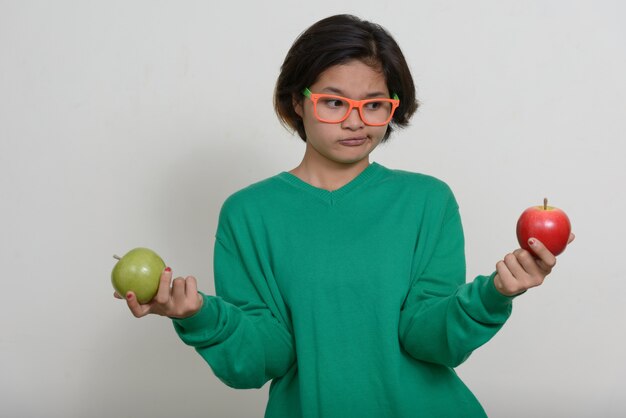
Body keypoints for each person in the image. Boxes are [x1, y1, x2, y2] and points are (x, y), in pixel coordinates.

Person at [116, 14, 574, 418]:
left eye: (374, 104)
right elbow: (264, 358)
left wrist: (495, 293)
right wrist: (199, 316)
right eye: (334, 102)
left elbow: (427, 337)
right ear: (297, 101)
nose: (356, 122)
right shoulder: (248, 213)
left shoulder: (427, 201)